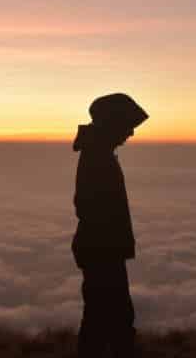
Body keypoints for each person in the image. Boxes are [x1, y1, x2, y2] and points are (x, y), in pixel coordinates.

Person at [72, 93, 149, 357]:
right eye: (127, 126)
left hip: (102, 249)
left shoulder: (100, 153)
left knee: (104, 316)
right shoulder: (97, 158)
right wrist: (110, 246)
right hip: (101, 251)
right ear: (112, 125)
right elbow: (88, 206)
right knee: (107, 317)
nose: (131, 134)